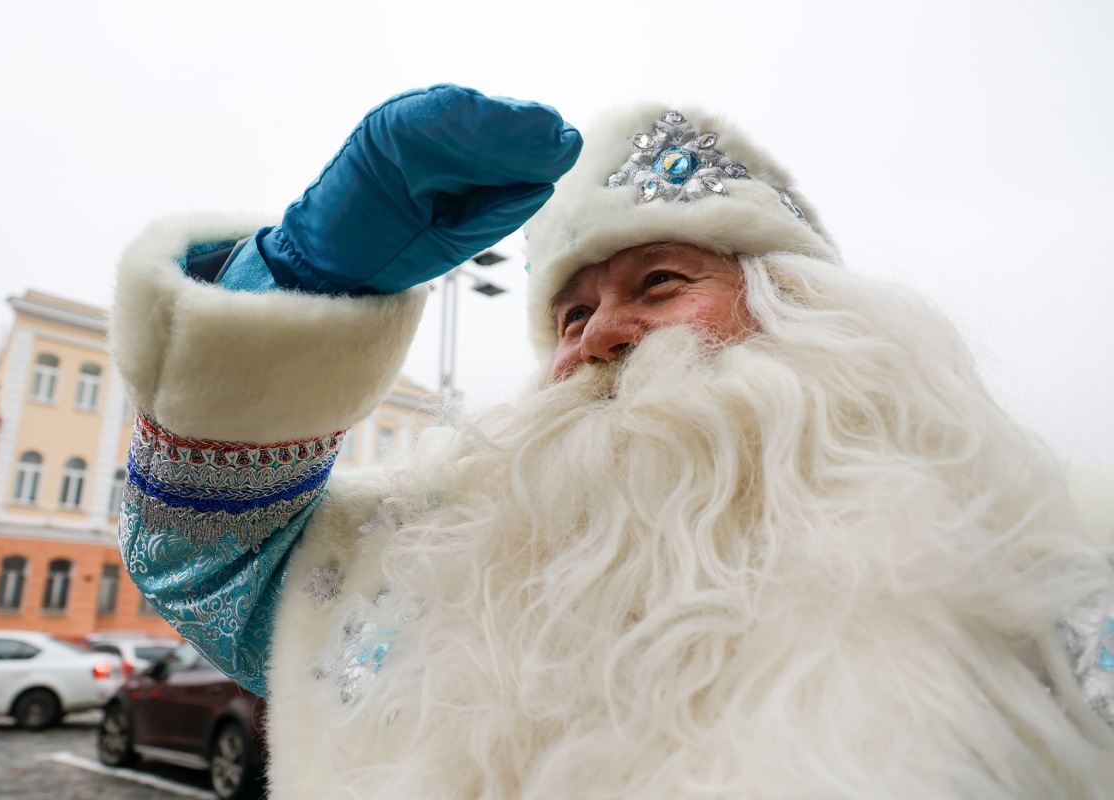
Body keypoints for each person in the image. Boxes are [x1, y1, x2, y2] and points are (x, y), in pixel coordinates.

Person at [111, 85, 1114, 798]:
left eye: (660, 283)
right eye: (571, 313)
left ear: (797, 309)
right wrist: (300, 280)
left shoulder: (1029, 541)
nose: (598, 334)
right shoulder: (464, 556)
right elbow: (212, 561)